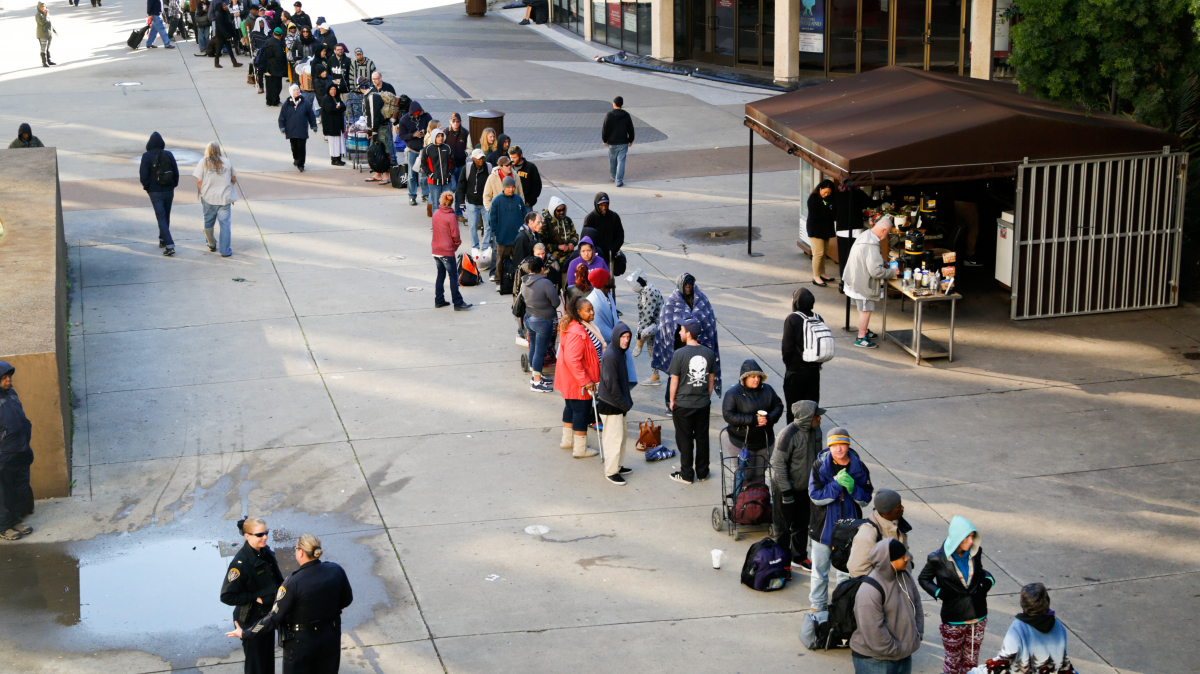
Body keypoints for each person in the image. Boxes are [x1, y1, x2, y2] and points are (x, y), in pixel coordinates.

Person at [224, 534, 353, 672]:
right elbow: (347, 599)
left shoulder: (292, 583)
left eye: (296, 548)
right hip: (330, 637)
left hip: (301, 644)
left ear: (301, 552)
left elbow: (274, 618)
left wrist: (246, 633)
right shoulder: (335, 569)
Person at [808, 426, 874, 611]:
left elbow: (866, 499)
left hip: (850, 531)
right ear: (829, 447)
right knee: (819, 573)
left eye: (842, 444)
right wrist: (836, 485)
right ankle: (817, 607)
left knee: (846, 573)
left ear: (848, 445)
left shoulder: (859, 468)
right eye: (834, 444)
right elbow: (816, 497)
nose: (839, 449)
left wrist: (853, 488)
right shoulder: (819, 467)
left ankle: (841, 608)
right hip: (823, 530)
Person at [919, 516, 995, 674]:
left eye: (972, 537)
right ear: (957, 537)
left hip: (978, 617)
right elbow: (924, 579)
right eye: (966, 537)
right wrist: (939, 592)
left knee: (972, 664)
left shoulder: (976, 552)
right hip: (953, 619)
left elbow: (980, 572)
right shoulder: (937, 558)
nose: (970, 541)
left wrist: (988, 580)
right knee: (952, 664)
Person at [850, 539, 924, 674]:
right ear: (888, 561)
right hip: (875, 661)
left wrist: (916, 636)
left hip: (903, 656)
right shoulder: (870, 590)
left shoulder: (905, 576)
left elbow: (917, 606)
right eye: (902, 557)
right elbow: (873, 630)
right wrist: (897, 649)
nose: (906, 559)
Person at [220, 517, 283, 674]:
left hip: (267, 617)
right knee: (256, 667)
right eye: (260, 534)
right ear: (247, 536)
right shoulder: (240, 563)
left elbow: (276, 579)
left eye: (266, 533)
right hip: (251, 621)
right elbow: (227, 596)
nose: (265, 537)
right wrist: (254, 597)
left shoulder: (265, 552)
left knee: (267, 662)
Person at [770, 400, 823, 570]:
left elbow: (818, 458)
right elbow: (778, 465)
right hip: (785, 489)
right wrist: (786, 492)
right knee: (783, 528)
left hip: (806, 489)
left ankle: (799, 557)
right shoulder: (787, 435)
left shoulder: (816, 431)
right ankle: (782, 562)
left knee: (802, 524)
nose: (820, 418)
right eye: (817, 415)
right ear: (807, 417)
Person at [652, 273, 722, 396]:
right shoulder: (671, 302)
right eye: (685, 284)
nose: (688, 287)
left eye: (690, 284)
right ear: (680, 285)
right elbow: (665, 325)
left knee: (698, 373)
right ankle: (670, 401)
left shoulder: (702, 300)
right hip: (679, 346)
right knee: (675, 373)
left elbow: (709, 321)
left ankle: (698, 396)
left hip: (699, 343)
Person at [981, 583, 1076, 674]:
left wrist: (975, 671)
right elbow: (1064, 665)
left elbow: (1002, 663)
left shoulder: (1018, 628)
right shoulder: (1058, 626)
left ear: (1023, 603)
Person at [721, 359, 783, 492]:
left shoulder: (768, 390)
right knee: (744, 476)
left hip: (764, 442)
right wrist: (753, 420)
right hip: (739, 443)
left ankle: (758, 505)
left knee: (760, 475)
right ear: (745, 378)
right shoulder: (733, 394)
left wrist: (769, 418)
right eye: (752, 377)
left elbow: (778, 406)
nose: (756, 380)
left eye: (758, 377)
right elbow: (728, 415)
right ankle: (741, 505)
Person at [667, 319, 714, 485]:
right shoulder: (709, 352)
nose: (679, 332)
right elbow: (711, 380)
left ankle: (687, 474)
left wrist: (672, 400)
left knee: (685, 439)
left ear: (688, 333)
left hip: (683, 404)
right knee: (702, 438)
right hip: (702, 404)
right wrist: (705, 397)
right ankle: (703, 472)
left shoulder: (679, 354)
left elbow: (674, 380)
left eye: (681, 330)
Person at [554, 297, 602, 459]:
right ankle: (580, 449)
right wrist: (586, 381)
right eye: (588, 310)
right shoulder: (578, 332)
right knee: (581, 412)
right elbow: (573, 359)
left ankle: (568, 441)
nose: (592, 312)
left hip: (570, 379)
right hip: (578, 382)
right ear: (578, 312)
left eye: (592, 309)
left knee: (570, 408)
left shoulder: (573, 325)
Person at [843, 215, 897, 349]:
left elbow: (870, 260)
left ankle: (865, 331)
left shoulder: (866, 235)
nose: (887, 235)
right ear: (883, 231)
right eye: (888, 232)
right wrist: (892, 272)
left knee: (863, 309)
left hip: (854, 280)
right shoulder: (871, 245)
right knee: (865, 310)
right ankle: (861, 337)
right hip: (863, 284)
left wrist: (882, 262)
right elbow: (876, 272)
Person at [0, 362, 35, 542]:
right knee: (4, 492)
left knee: (19, 489)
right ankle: (5, 527)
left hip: (21, 452)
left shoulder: (12, 394)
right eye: (5, 378)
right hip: (4, 455)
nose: (9, 381)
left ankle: (16, 520)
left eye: (9, 377)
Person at [597, 321, 635, 485]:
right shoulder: (612, 355)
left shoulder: (619, 352)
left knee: (621, 437)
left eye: (628, 337)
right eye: (623, 337)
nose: (626, 340)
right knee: (613, 439)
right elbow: (612, 385)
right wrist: (624, 404)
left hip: (618, 404)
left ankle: (617, 466)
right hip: (611, 404)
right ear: (616, 337)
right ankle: (611, 471)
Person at [587, 268, 636, 385]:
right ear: (602, 282)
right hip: (606, 349)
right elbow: (599, 330)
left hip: (614, 344)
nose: (612, 278)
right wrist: (619, 336)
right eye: (608, 277)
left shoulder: (607, 296)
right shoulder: (594, 302)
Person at [846, 489, 911, 578]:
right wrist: (883, 586)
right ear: (888, 511)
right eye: (898, 506)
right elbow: (857, 569)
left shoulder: (896, 522)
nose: (902, 508)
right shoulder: (868, 533)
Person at [781, 287, 823, 418]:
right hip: (814, 370)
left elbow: (787, 348)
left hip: (796, 370)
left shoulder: (792, 319)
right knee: (811, 405)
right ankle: (809, 433)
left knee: (793, 407)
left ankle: (793, 435)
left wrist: (789, 365)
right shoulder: (818, 318)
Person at [192, 142, 238, 257]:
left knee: (208, 221)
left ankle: (211, 244)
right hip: (224, 199)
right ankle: (225, 251)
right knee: (225, 225)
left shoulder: (203, 162)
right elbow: (233, 178)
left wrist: (201, 191)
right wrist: (229, 185)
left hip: (208, 197)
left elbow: (198, 180)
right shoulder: (227, 162)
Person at [522, 256, 560, 392]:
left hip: (528, 317)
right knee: (540, 351)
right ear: (542, 269)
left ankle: (535, 375)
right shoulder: (545, 283)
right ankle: (536, 382)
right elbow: (556, 302)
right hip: (542, 320)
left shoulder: (524, 281)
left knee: (533, 348)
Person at [139, 132, 180, 256]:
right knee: (166, 215)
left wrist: (148, 187)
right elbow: (175, 172)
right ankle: (162, 239)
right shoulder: (168, 154)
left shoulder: (147, 156)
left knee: (160, 217)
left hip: (155, 191)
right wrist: (173, 185)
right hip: (169, 190)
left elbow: (143, 175)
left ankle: (169, 244)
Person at [486, 176, 530, 291]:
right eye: (509, 187)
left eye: (513, 187)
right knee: (500, 260)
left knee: (517, 261)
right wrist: (496, 232)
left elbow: (524, 215)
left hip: (517, 238)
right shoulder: (497, 201)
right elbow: (492, 218)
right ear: (504, 187)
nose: (511, 189)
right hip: (502, 237)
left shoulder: (518, 199)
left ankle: (516, 281)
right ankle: (499, 281)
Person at [431, 191, 472, 311]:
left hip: (436, 250)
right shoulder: (451, 216)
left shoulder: (436, 213)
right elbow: (455, 235)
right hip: (447, 251)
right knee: (453, 276)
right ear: (452, 202)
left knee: (440, 274)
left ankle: (439, 300)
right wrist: (455, 246)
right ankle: (458, 302)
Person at [624, 268, 664, 385]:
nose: (631, 287)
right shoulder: (644, 291)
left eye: (632, 284)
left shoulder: (649, 292)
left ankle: (640, 342)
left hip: (659, 324)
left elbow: (646, 316)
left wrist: (639, 335)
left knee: (646, 333)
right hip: (652, 323)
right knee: (651, 349)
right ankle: (655, 376)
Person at [457, 149, 493, 251]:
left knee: (488, 226)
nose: (481, 160)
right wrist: (461, 202)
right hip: (472, 202)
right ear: (473, 159)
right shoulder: (467, 168)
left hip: (486, 203)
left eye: (482, 158)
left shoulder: (489, 167)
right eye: (478, 158)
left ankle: (486, 246)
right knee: (472, 226)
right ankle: (475, 246)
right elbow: (461, 186)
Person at [399, 100, 432, 206]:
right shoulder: (404, 120)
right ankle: (412, 196)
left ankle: (425, 194)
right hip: (412, 150)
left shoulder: (426, 117)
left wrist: (425, 133)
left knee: (423, 175)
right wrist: (413, 135)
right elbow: (402, 136)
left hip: (423, 150)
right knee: (412, 175)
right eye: (416, 114)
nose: (418, 116)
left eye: (419, 113)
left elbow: (432, 128)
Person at [278, 84, 317, 172]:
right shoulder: (287, 104)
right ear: (291, 92)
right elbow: (282, 117)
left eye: (298, 90)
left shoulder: (305, 102)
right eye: (294, 90)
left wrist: (313, 125)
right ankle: (296, 158)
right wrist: (282, 127)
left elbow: (311, 115)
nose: (297, 92)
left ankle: (301, 164)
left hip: (302, 129)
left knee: (302, 147)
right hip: (291, 129)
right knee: (294, 146)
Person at [582, 192, 624, 270]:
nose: (604, 208)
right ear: (597, 205)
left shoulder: (614, 217)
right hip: (595, 257)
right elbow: (585, 239)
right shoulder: (590, 219)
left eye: (606, 205)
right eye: (601, 205)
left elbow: (620, 235)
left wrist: (613, 248)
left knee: (609, 279)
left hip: (610, 254)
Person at [807, 179, 837, 285]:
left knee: (824, 252)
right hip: (816, 229)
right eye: (825, 192)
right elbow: (819, 215)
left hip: (825, 229)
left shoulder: (829, 199)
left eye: (829, 193)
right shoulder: (813, 199)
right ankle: (816, 276)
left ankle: (822, 273)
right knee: (818, 253)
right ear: (820, 189)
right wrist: (829, 212)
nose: (826, 195)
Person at [601, 96, 634, 187]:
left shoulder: (609, 115)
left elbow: (605, 128)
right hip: (623, 142)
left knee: (612, 160)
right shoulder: (626, 115)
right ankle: (619, 180)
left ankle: (614, 176)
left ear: (614, 104)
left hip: (612, 143)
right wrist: (630, 139)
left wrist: (604, 139)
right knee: (621, 161)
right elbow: (630, 128)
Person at [540, 196, 578, 272]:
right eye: (559, 210)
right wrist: (558, 247)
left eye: (563, 210)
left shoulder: (567, 220)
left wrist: (572, 243)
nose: (562, 212)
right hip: (554, 257)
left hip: (569, 254)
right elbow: (541, 245)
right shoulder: (545, 223)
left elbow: (575, 235)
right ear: (553, 210)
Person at [444, 113, 469, 219]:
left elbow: (469, 147)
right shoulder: (445, 132)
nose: (455, 123)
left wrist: (466, 153)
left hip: (461, 165)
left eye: (457, 121)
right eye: (453, 121)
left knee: (460, 189)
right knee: (452, 187)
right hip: (450, 166)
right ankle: (447, 209)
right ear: (450, 121)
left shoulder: (465, 133)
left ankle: (458, 212)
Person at [422, 128, 454, 210]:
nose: (441, 138)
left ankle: (446, 221)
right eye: (438, 136)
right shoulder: (427, 149)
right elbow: (423, 165)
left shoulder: (447, 148)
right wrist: (431, 175)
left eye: (442, 136)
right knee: (435, 203)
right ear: (433, 137)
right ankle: (437, 221)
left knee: (447, 203)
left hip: (446, 181)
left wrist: (449, 174)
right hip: (433, 182)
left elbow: (453, 162)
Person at [320, 84, 346, 166]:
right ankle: (334, 160)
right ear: (328, 90)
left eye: (334, 89)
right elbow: (331, 110)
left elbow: (343, 106)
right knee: (333, 143)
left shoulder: (337, 97)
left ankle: (338, 159)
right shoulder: (326, 99)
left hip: (338, 125)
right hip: (331, 125)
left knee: (339, 142)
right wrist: (338, 108)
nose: (333, 91)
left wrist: (338, 108)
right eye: (331, 89)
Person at [210, 0, 242, 66]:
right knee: (219, 49)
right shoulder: (219, 16)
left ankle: (234, 62)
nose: (225, 6)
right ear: (220, 7)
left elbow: (228, 24)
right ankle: (217, 62)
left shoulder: (225, 13)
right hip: (221, 35)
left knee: (229, 48)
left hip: (226, 34)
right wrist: (227, 35)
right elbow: (221, 27)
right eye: (223, 5)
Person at [260, 27, 287, 104]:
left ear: (273, 34)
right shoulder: (278, 44)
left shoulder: (267, 42)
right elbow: (280, 58)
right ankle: (275, 101)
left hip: (267, 67)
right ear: (281, 35)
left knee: (269, 86)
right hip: (275, 69)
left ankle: (269, 101)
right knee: (276, 86)